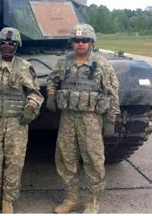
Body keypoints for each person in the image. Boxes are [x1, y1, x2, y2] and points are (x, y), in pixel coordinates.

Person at [46, 24, 120, 213]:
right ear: (72, 43)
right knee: (65, 157)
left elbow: (112, 93)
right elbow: (52, 79)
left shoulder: (101, 65)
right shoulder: (64, 63)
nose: (80, 44)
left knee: (93, 159)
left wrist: (111, 120)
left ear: (91, 42)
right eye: (77, 41)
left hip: (91, 119)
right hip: (68, 118)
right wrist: (51, 94)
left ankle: (92, 200)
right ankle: (71, 198)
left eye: (84, 40)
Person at [0, 27, 44, 214]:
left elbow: (35, 92)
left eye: (11, 43)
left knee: (14, 161)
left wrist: (30, 107)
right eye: (3, 42)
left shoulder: (25, 67)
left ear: (17, 46)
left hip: (16, 122)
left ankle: (8, 200)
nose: (7, 46)